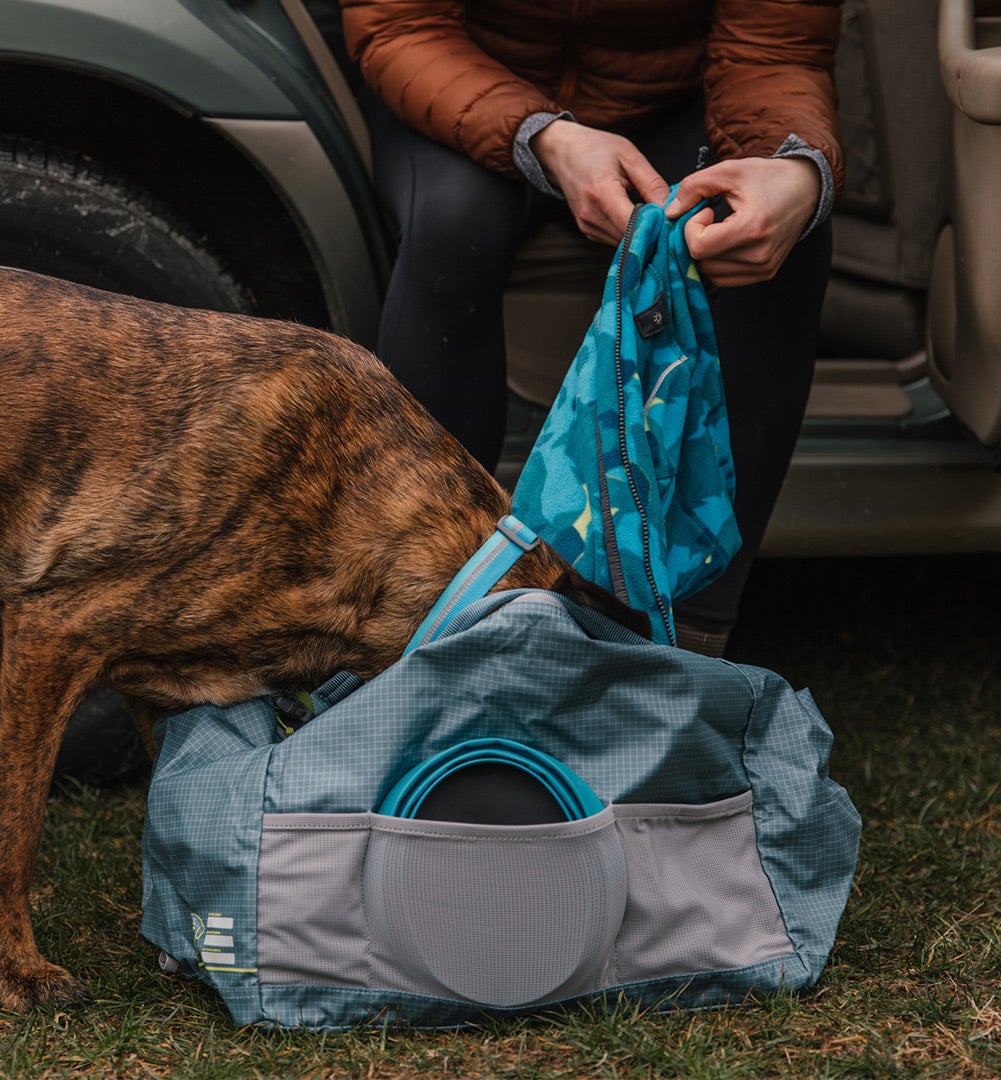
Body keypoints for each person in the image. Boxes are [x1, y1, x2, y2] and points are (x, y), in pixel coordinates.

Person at [342, 0, 842, 656]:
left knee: (771, 238)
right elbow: (400, 24)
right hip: (462, 75)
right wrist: (547, 137)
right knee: (455, 224)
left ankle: (687, 646)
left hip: (669, 100)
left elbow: (775, 52)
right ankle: (412, 619)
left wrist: (797, 173)